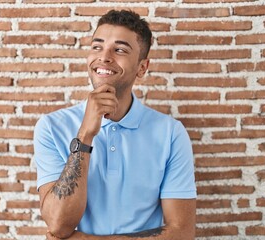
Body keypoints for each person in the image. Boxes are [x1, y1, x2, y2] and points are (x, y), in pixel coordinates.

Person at [34, 10, 196, 239]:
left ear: (142, 67)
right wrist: (85, 135)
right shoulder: (51, 127)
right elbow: (59, 225)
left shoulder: (170, 133)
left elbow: (182, 232)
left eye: (119, 50)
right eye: (97, 46)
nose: (104, 57)